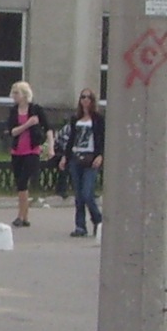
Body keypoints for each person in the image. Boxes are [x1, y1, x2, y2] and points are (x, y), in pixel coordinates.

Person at [4, 80, 51, 227]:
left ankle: (20, 215)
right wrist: (27, 124)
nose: (14, 96)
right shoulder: (13, 111)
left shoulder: (36, 109)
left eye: (16, 93)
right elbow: (12, 131)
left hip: (32, 151)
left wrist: (51, 147)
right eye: (13, 93)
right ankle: (25, 217)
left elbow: (48, 128)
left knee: (23, 182)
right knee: (20, 183)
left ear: (24, 94)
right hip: (17, 151)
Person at [60, 87, 105, 237]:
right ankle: (80, 226)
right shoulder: (76, 119)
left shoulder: (98, 119)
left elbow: (102, 139)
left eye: (88, 97)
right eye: (83, 97)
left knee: (87, 194)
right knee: (78, 196)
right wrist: (65, 157)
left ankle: (98, 220)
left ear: (92, 101)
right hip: (76, 157)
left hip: (91, 158)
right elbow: (71, 139)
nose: (85, 100)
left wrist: (100, 155)